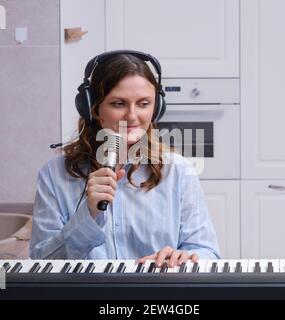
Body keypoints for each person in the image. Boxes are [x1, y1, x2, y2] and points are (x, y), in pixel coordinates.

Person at [30, 50, 220, 267]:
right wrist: (88, 215)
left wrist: (185, 258)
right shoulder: (54, 175)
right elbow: (41, 264)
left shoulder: (178, 171)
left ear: (156, 109)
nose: (132, 116)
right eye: (118, 103)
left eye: (143, 103)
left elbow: (207, 253)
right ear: (93, 108)